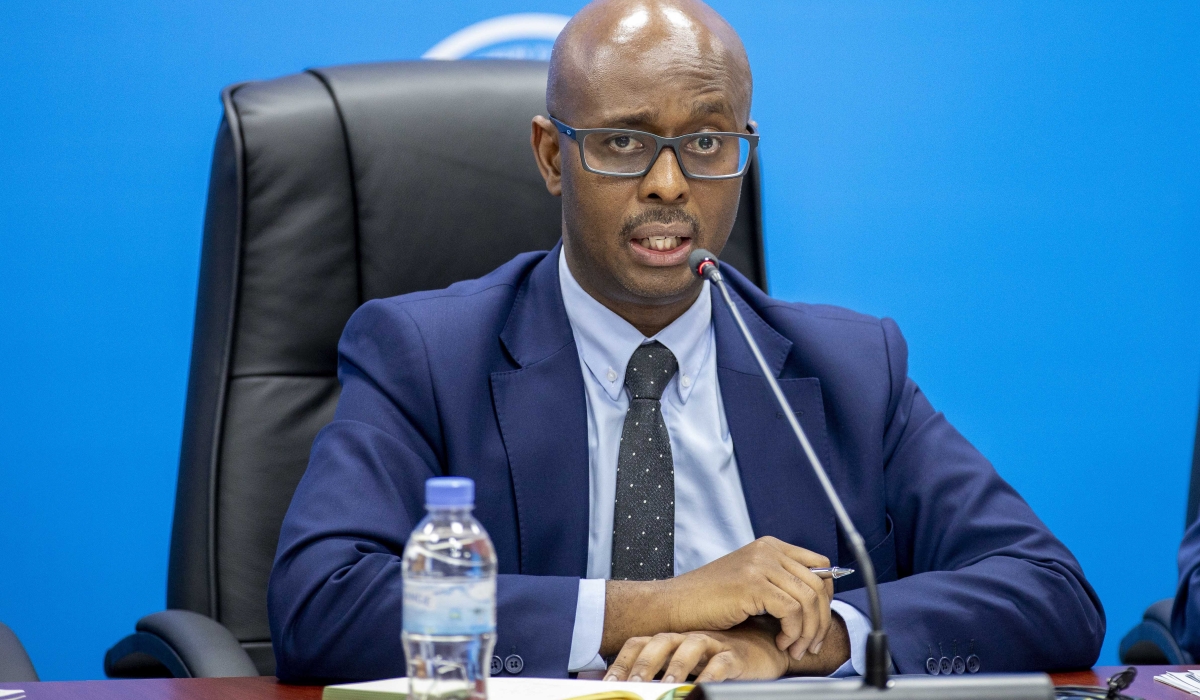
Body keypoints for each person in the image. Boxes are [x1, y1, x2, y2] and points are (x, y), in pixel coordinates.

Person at [268, 0, 1104, 683]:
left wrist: (795, 647)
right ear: (552, 155)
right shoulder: (425, 354)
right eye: (625, 143)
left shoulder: (849, 369)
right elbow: (322, 606)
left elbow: (1051, 594)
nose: (669, 184)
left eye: (706, 143)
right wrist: (661, 604)